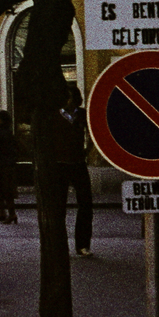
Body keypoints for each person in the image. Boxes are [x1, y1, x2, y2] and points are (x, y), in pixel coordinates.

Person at [60, 84, 95, 255]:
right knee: (60, 206)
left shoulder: (82, 115)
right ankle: (60, 246)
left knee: (86, 204)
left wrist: (87, 151)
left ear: (75, 99)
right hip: (60, 164)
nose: (67, 101)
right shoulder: (56, 115)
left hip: (78, 162)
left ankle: (82, 244)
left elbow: (93, 134)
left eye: (69, 97)